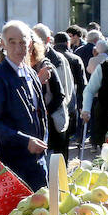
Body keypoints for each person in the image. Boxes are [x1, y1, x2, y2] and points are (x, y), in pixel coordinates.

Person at [0, 20, 50, 190]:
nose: (18, 47)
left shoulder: (31, 73)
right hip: (13, 163)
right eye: (12, 42)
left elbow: (40, 114)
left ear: (29, 44)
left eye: (22, 42)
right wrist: (24, 141)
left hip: (37, 162)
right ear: (3, 44)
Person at [29, 28, 68, 163]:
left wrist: (45, 111)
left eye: (30, 49)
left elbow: (60, 94)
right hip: (34, 126)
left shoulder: (46, 66)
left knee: (53, 161)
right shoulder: (23, 69)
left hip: (51, 123)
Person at [53, 31, 87, 152]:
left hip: (52, 104)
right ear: (68, 43)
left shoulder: (48, 58)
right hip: (71, 101)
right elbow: (82, 83)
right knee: (65, 138)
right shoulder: (75, 59)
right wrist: (82, 103)